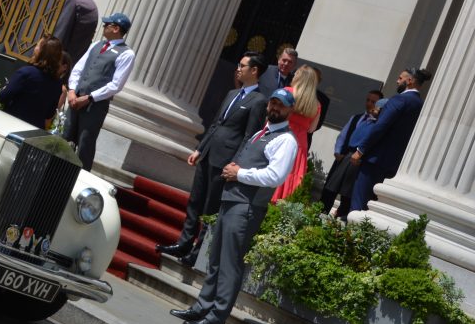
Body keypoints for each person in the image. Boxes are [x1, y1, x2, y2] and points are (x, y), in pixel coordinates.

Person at [171, 88, 299, 324]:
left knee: (230, 264)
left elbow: (275, 176)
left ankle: (216, 319)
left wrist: (239, 173)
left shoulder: (286, 140)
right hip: (232, 200)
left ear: (289, 110)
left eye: (280, 106)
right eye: (272, 103)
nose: (274, 108)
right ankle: (202, 307)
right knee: (216, 258)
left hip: (247, 207)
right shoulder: (261, 133)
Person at [157, 52, 268, 266]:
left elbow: (249, 136)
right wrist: (200, 149)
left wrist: (236, 162)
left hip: (225, 161)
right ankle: (184, 243)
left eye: (243, 65)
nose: (238, 68)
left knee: (210, 207)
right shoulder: (232, 93)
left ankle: (197, 252)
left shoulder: (259, 101)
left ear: (254, 71)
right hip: (209, 154)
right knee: (195, 201)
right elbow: (216, 123)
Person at [348, 67, 432, 212]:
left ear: (409, 81)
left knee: (359, 204)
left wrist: (360, 150)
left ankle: (351, 234)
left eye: (400, 78)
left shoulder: (400, 99)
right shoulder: (420, 105)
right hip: (394, 164)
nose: (397, 80)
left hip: (375, 160)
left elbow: (380, 126)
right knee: (374, 207)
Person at [65, 12, 136, 171]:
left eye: (107, 25)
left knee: (85, 144)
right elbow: (78, 68)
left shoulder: (126, 54)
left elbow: (116, 85)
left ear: (116, 28)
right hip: (75, 99)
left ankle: (80, 179)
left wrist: (90, 98)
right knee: (65, 138)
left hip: (95, 106)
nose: (103, 27)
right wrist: (71, 91)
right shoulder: (96, 44)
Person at [321, 90, 384, 218]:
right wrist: (338, 151)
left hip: (357, 161)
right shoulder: (356, 118)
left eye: (373, 102)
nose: (369, 104)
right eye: (368, 100)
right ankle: (321, 211)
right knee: (331, 188)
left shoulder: (377, 125)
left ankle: (340, 216)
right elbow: (343, 135)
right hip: (344, 157)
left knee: (347, 192)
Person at [270, 64, 322, 201]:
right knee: (291, 176)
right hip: (300, 144)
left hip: (281, 136)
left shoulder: (286, 92)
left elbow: (271, 115)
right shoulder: (316, 104)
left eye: (296, 74)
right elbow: (311, 129)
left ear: (299, 77)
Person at [0, 36, 65, 128]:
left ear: (42, 52)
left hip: (11, 125)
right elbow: (49, 114)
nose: (34, 48)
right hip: (32, 132)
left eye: (37, 45)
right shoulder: (57, 84)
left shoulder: (26, 73)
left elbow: (2, 97)